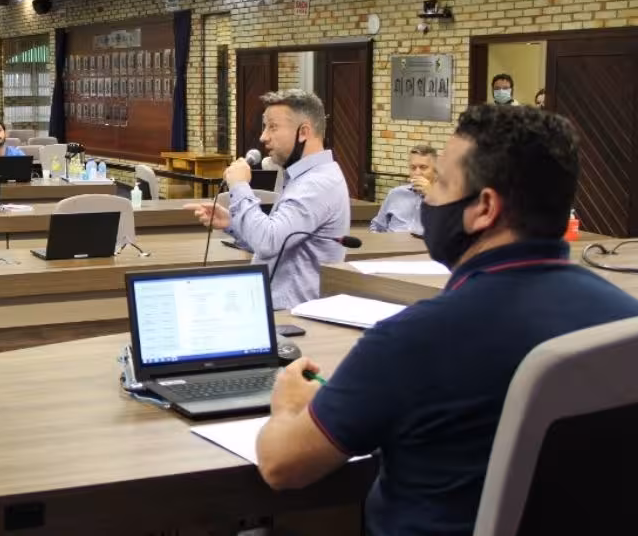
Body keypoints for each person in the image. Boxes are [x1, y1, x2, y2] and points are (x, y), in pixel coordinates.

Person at [255, 105, 638, 536]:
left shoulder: (416, 338)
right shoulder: (625, 323)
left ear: (484, 208)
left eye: (439, 182)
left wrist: (287, 405)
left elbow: (282, 465)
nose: (429, 199)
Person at [184, 90, 350, 310]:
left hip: (294, 318)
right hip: (283, 312)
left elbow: (268, 242)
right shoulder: (306, 177)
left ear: (304, 132)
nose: (263, 137)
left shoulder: (317, 184)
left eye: (273, 127)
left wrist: (240, 185)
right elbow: (278, 240)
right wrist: (232, 223)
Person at [369, 144, 437, 234]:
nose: (417, 173)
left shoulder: (446, 199)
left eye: (423, 167)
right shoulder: (396, 193)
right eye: (413, 168)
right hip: (392, 242)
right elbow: (377, 226)